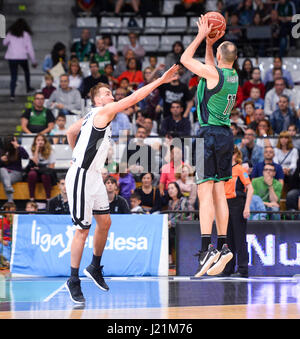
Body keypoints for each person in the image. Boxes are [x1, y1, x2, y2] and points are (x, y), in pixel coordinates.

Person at [64, 64, 179, 303]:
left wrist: (80, 152)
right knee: (82, 230)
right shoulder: (102, 111)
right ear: (96, 100)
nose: (110, 95)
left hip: (95, 176)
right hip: (81, 175)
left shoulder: (89, 116)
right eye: (105, 93)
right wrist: (159, 80)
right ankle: (73, 280)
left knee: (105, 222)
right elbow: (135, 97)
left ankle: (94, 266)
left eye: (110, 92)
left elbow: (69, 132)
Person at [180, 15, 238, 277]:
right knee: (219, 194)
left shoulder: (212, 73)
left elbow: (184, 60)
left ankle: (206, 249)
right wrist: (210, 46)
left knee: (204, 193)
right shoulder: (232, 74)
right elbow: (211, 64)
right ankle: (224, 246)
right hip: (226, 135)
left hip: (208, 135)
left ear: (220, 54)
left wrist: (202, 35)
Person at [224, 145, 253, 277]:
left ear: (235, 155)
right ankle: (228, 268)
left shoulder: (240, 169)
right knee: (228, 238)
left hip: (237, 204)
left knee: (240, 238)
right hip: (226, 204)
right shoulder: (223, 170)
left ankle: (242, 269)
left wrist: (247, 207)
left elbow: (250, 188)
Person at [3, 18, 37, 101]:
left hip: (12, 57)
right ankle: (28, 88)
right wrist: (33, 61)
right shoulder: (26, 34)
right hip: (22, 57)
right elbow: (30, 49)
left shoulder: (11, 33)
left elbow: (4, 43)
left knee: (13, 76)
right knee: (26, 72)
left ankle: (12, 95)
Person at [167, 181, 192, 264]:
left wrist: (171, 222)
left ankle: (170, 258)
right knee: (166, 233)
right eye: (168, 189)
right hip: (173, 227)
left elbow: (183, 216)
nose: (170, 190)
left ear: (177, 189)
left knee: (169, 233)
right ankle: (169, 257)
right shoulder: (170, 202)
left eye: (172, 188)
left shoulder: (183, 201)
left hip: (184, 227)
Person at [26, 134, 56, 201]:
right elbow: (35, 163)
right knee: (32, 174)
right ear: (35, 142)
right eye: (38, 140)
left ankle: (48, 198)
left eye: (42, 140)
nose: (40, 142)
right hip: (35, 173)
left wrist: (39, 169)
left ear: (45, 141)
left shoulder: (50, 151)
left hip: (45, 172)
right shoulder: (31, 150)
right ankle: (32, 198)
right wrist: (36, 149)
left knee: (45, 175)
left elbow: (51, 168)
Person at [0, 136, 29, 202]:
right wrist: (1, 160)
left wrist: (19, 147)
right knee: (2, 170)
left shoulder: (18, 149)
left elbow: (26, 156)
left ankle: (10, 201)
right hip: (3, 174)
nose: (17, 142)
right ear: (10, 142)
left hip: (16, 173)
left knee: (6, 180)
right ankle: (8, 188)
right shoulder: (2, 151)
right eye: (15, 141)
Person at [0, 201, 16, 266]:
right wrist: (2, 240)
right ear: (5, 212)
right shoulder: (1, 221)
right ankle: (5, 261)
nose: (10, 213)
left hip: (13, 242)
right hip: (4, 242)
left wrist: (12, 222)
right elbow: (0, 234)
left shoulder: (17, 221)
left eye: (12, 211)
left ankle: (7, 262)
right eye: (8, 211)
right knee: (3, 249)